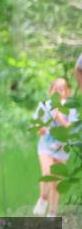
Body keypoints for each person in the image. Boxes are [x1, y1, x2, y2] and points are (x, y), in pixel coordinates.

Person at [34, 78, 78, 217]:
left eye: (62, 89)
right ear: (50, 91)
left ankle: (52, 214)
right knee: (47, 173)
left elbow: (72, 129)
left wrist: (59, 117)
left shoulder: (70, 109)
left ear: (67, 92)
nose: (59, 92)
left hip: (61, 148)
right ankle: (43, 198)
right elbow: (37, 125)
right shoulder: (44, 106)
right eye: (56, 89)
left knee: (56, 182)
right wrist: (40, 129)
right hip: (46, 146)